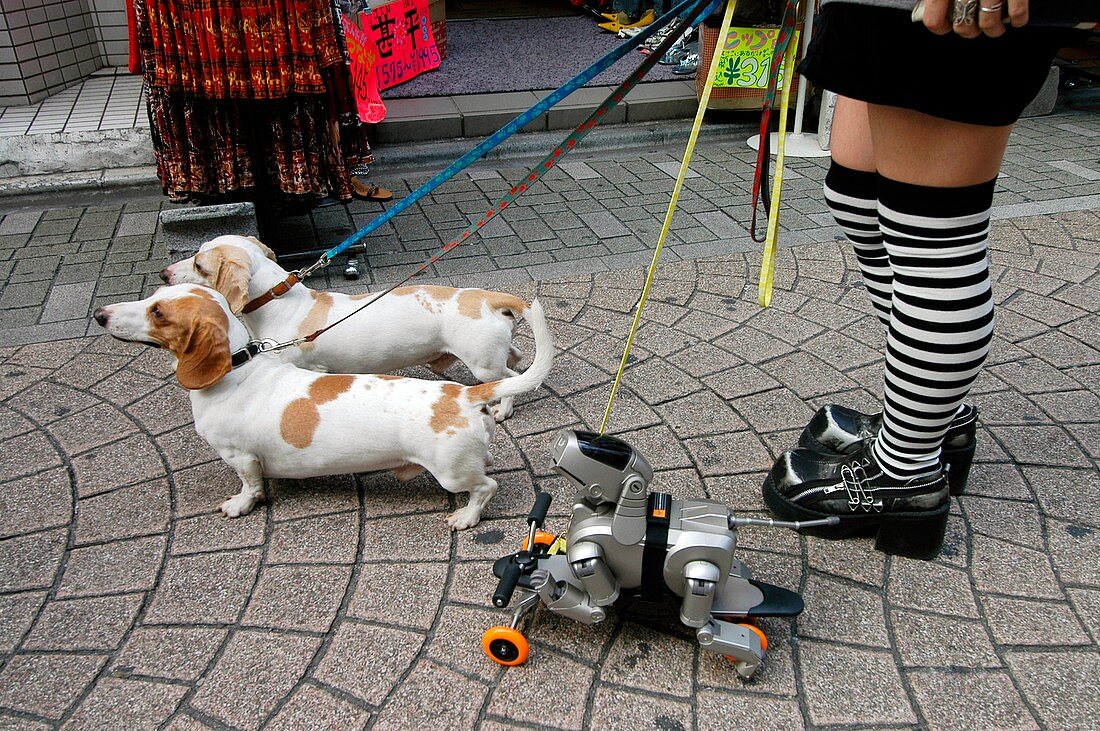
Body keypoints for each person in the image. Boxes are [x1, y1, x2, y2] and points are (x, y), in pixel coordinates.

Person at [760, 0, 1083, 559]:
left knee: (932, 236)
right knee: (858, 196)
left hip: (959, 15)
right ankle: (934, 420)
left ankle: (905, 473)